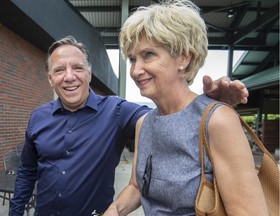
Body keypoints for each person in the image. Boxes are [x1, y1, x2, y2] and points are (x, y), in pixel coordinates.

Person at [10, 34, 248, 216]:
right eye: (59, 70)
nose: (69, 76)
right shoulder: (38, 118)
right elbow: (27, 171)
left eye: (78, 68)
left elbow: (170, 113)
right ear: (50, 78)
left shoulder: (117, 111)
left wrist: (205, 103)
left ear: (90, 74)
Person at [103, 0, 268, 215]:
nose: (135, 70)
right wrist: (113, 210)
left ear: (184, 57)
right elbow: (137, 186)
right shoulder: (144, 124)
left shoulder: (217, 120)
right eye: (133, 59)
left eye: (148, 55)